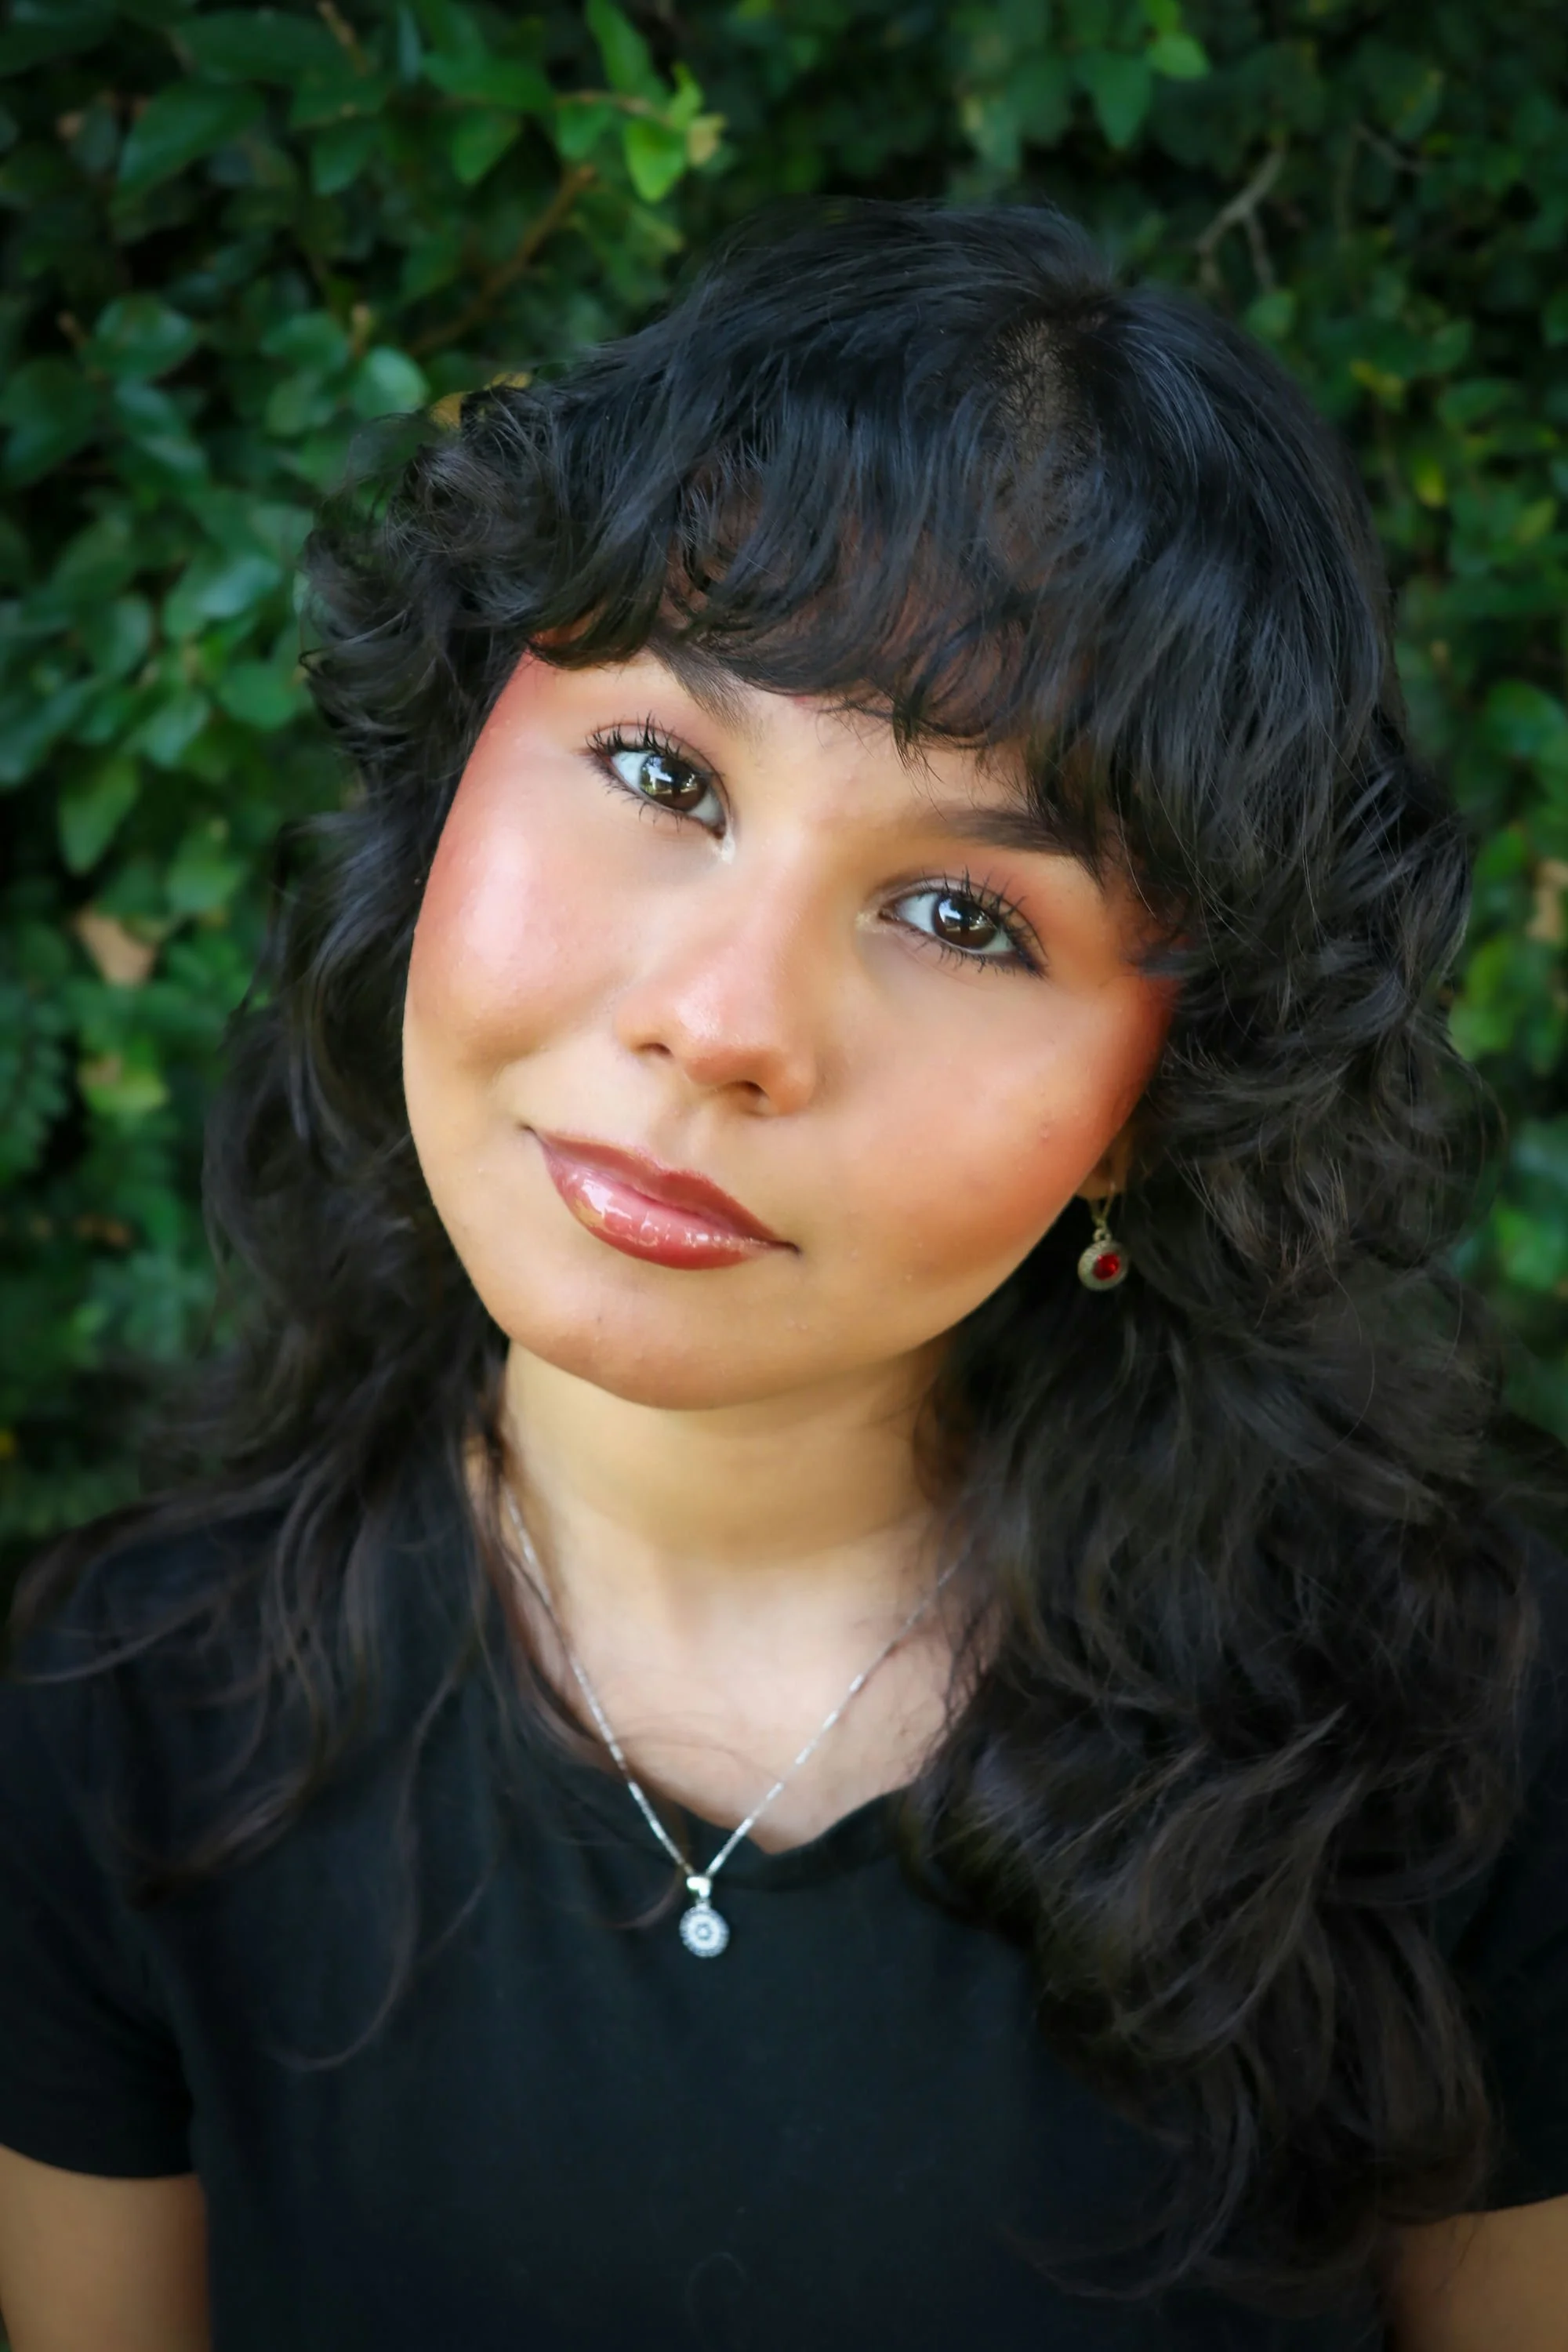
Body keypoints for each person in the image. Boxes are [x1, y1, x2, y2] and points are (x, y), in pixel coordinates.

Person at [1, 201, 1565, 2352]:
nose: (727, 1020)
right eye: (664, 772)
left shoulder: (1460, 1742)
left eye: (966, 920)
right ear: (462, 752)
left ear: (1157, 1096)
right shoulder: (115, 1738)